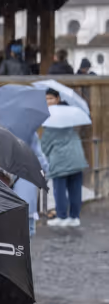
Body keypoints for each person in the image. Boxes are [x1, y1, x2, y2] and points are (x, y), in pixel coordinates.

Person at [42, 89, 88, 228]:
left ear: (57, 98)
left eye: (50, 98)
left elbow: (45, 145)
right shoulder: (70, 116)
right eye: (46, 99)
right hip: (77, 158)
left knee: (60, 190)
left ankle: (62, 216)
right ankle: (74, 217)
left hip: (60, 161)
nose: (48, 101)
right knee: (75, 189)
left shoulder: (51, 120)